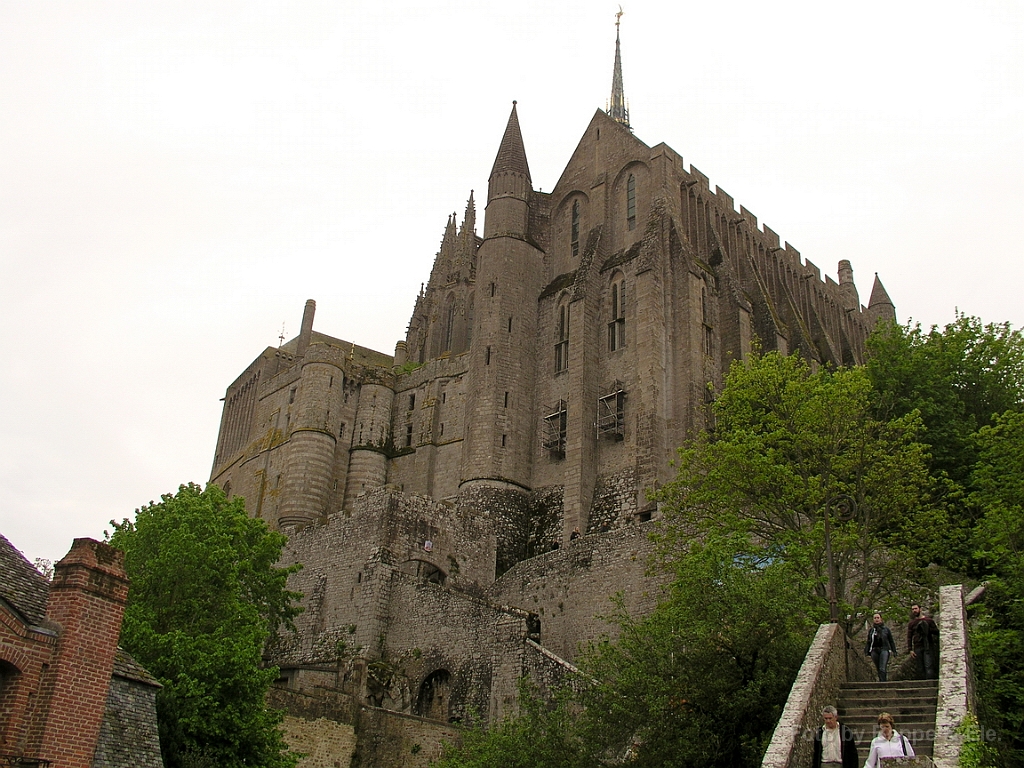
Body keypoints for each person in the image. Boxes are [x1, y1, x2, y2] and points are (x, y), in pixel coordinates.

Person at [907, 603, 940, 679]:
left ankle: (929, 683)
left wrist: (927, 629)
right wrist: (910, 649)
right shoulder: (911, 623)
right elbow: (909, 636)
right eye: (913, 609)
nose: (914, 611)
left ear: (920, 609)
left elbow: (936, 632)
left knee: (928, 666)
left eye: (915, 609)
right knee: (920, 667)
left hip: (927, 646)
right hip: (917, 647)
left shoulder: (929, 621)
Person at [864, 612, 897, 682]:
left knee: (882, 667)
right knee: (878, 668)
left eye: (878, 618)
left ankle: (883, 683)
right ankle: (881, 682)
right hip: (874, 650)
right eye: (875, 618)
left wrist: (894, 651)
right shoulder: (872, 630)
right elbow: (868, 641)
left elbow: (891, 641)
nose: (876, 619)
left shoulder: (886, 630)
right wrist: (866, 652)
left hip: (884, 649)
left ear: (881, 619)